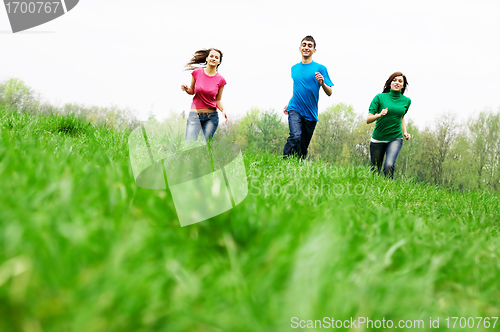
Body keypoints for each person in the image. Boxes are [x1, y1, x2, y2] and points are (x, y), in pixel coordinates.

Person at [283, 35, 333, 159]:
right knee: (295, 135)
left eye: (309, 46)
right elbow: (298, 88)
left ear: (314, 50)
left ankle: (298, 167)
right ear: (299, 48)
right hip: (295, 108)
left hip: (311, 113)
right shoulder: (294, 68)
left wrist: (322, 83)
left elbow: (330, 92)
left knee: (302, 148)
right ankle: (284, 161)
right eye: (304, 45)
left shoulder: (320, 68)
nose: (306, 47)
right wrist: (289, 103)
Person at [366, 71, 411, 179]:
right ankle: (373, 192)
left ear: (403, 85)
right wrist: (379, 115)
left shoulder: (406, 101)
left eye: (400, 81)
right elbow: (368, 119)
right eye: (394, 80)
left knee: (389, 165)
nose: (397, 83)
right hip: (378, 138)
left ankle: (388, 191)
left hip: (395, 138)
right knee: (375, 170)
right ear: (390, 83)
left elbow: (401, 117)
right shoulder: (379, 98)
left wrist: (405, 132)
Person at [181, 48, 227, 142]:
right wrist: (186, 89)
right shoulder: (197, 73)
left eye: (216, 57)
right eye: (211, 56)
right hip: (195, 115)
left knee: (203, 147)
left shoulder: (221, 80)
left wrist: (224, 110)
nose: (213, 58)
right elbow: (192, 91)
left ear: (219, 61)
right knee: (189, 144)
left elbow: (218, 100)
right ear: (207, 58)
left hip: (211, 117)